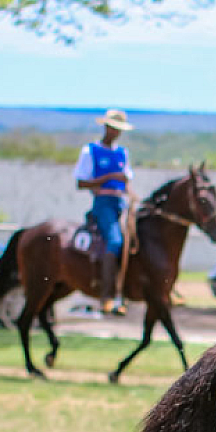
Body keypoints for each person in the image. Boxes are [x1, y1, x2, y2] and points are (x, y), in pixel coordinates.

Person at [74, 109, 134, 316]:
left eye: (119, 130)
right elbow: (81, 183)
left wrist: (130, 193)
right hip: (103, 203)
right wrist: (108, 177)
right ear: (106, 127)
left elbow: (126, 180)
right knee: (115, 242)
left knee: (140, 238)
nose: (115, 132)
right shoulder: (90, 151)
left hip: (121, 201)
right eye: (113, 128)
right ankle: (107, 296)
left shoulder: (122, 153)